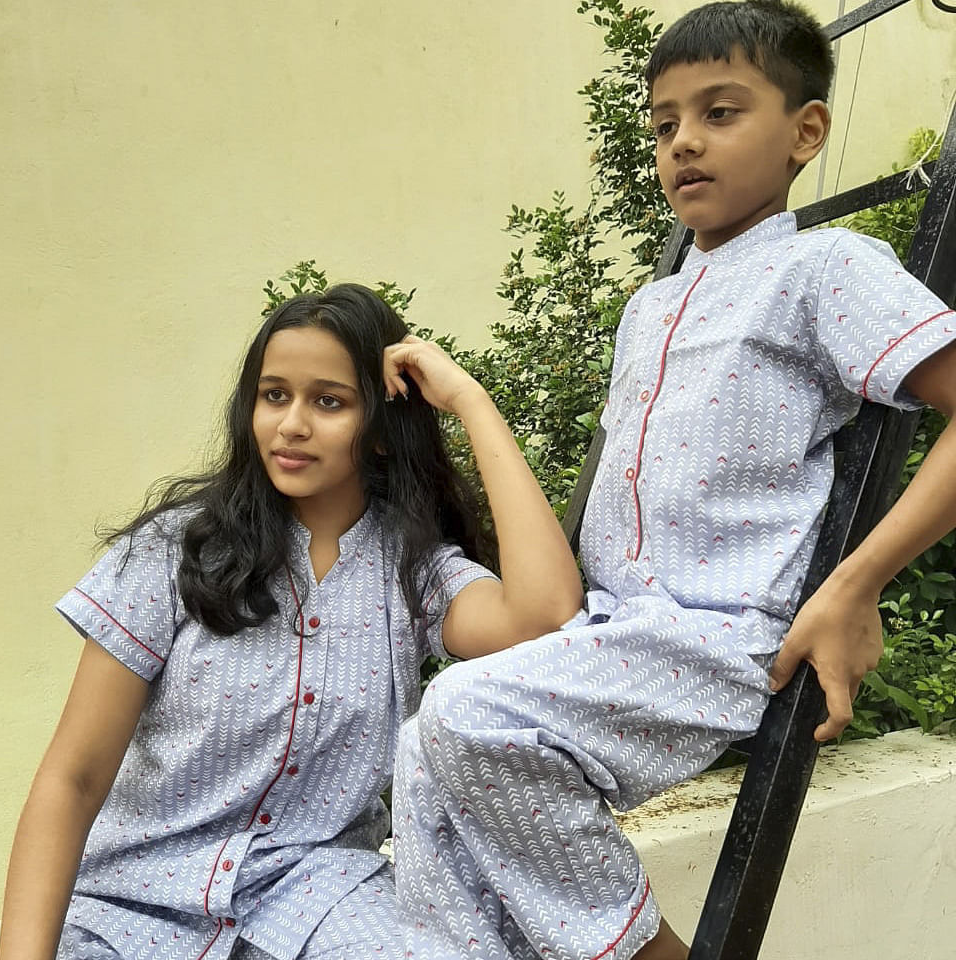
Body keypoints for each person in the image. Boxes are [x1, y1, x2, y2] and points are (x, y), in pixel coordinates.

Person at [392, 3, 956, 958]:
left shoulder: (825, 268)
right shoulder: (650, 306)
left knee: (468, 713)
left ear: (804, 133)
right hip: (613, 627)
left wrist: (856, 584)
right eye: (663, 125)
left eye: (721, 113)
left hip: (718, 632)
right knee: (421, 752)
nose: (684, 143)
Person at [0, 284, 583, 960]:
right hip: (136, 905)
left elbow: (543, 616)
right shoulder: (173, 554)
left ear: (384, 430)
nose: (291, 424)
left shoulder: (412, 570)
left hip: (315, 902)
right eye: (274, 395)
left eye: (328, 401)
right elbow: (73, 777)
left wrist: (470, 403)